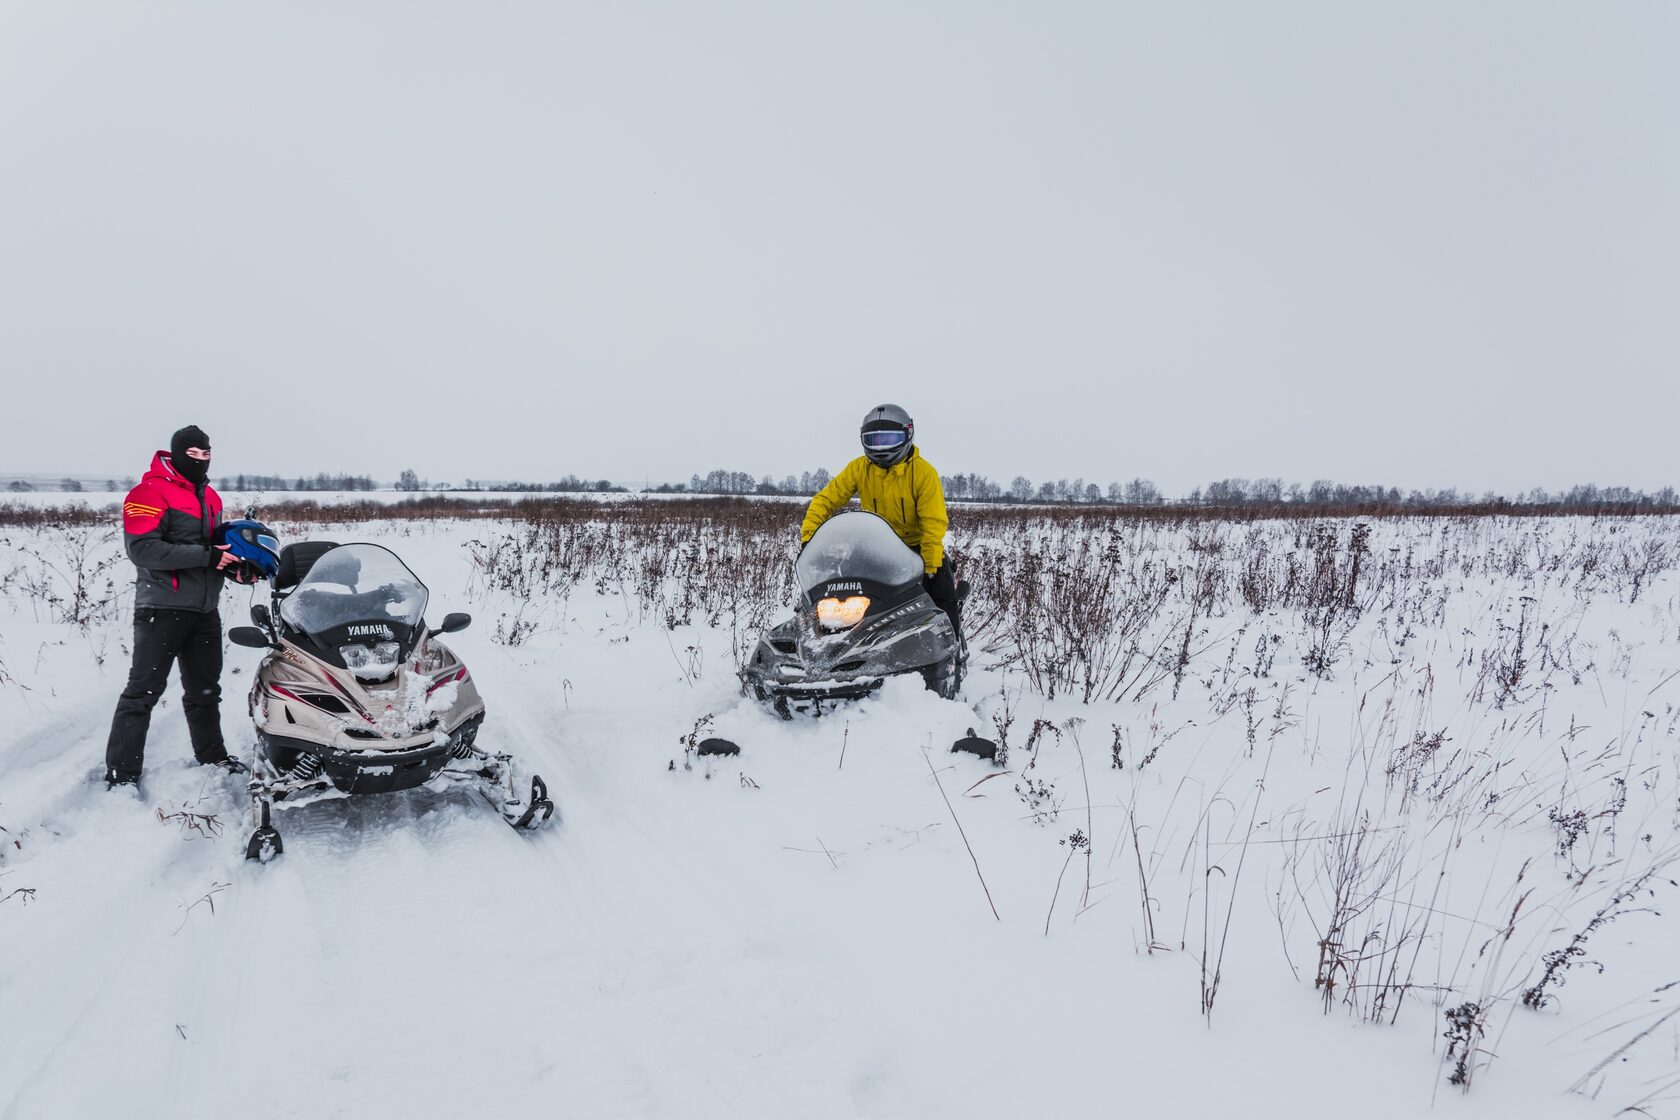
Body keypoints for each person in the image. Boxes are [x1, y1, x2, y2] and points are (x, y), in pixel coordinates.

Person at [105, 425, 248, 788]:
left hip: (204, 610)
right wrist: (207, 557)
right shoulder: (149, 492)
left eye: (206, 454)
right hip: (162, 608)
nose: (200, 460)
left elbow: (216, 551)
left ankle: (212, 757)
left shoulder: (211, 497)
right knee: (142, 692)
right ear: (176, 453)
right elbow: (143, 550)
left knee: (205, 690)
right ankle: (122, 773)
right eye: (193, 454)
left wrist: (236, 569)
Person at [799, 403, 962, 641]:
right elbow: (825, 500)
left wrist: (930, 566)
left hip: (917, 549)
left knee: (942, 594)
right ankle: (841, 641)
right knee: (844, 592)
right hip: (876, 546)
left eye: (888, 439)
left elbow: (933, 523)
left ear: (907, 435)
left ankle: (953, 646)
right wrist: (809, 538)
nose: (880, 447)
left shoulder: (923, 473)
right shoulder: (859, 468)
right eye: (873, 440)